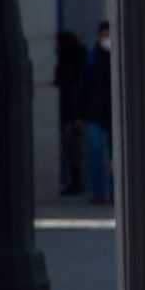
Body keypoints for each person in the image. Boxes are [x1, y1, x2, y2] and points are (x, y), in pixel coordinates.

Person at [82, 21, 113, 206]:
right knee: (96, 154)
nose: (105, 38)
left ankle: (116, 193)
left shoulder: (118, 56)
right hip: (94, 113)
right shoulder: (92, 57)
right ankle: (99, 192)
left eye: (108, 34)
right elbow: (83, 86)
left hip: (112, 114)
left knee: (114, 156)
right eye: (103, 34)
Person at [54, 31, 87, 196]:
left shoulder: (69, 60)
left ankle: (76, 182)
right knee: (73, 150)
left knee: (73, 149)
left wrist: (77, 116)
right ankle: (75, 182)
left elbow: (70, 86)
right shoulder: (78, 58)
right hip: (72, 113)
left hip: (71, 114)